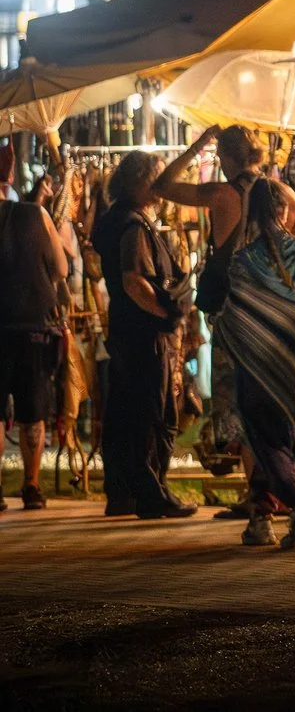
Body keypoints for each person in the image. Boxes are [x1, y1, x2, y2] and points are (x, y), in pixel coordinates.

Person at [152, 125, 295, 520]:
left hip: (235, 313)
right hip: (275, 313)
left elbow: (163, 185)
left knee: (239, 402)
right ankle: (273, 493)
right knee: (270, 400)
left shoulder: (222, 194)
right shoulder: (283, 195)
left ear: (226, 158)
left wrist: (197, 145)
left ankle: (261, 498)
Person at [197, 179, 295, 550]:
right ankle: (277, 514)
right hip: (293, 363)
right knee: (282, 441)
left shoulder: (242, 259)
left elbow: (218, 306)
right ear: (283, 211)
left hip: (254, 366)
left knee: (262, 441)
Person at [89, 155, 193, 520]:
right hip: (143, 332)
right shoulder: (133, 225)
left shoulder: (114, 218)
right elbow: (135, 280)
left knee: (124, 411)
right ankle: (151, 493)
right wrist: (166, 315)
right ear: (140, 182)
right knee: (150, 412)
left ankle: (123, 493)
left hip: (125, 329)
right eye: (157, 178)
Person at [2, 170, 77, 514]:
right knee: (33, 412)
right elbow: (61, 269)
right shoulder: (37, 215)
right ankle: (31, 487)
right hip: (34, 327)